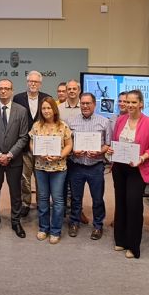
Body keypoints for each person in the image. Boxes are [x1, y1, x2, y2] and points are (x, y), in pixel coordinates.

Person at [107, 90, 149, 259]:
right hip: (120, 168)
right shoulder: (121, 120)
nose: (129, 105)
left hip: (138, 169)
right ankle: (120, 240)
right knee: (120, 203)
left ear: (141, 104)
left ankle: (133, 245)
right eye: (127, 102)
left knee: (134, 205)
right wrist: (112, 150)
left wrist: (142, 157)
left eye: (133, 102)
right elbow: (115, 141)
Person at [0, 79, 30, 239]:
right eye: (0, 88)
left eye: (6, 88)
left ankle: (16, 221)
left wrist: (9, 155)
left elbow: (24, 137)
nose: (3, 91)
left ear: (12, 90)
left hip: (14, 160)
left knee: (15, 192)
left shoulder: (21, 111)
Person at [66, 93, 111, 240]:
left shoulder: (104, 122)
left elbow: (108, 144)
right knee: (75, 198)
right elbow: (67, 143)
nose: (85, 106)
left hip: (95, 166)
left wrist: (99, 151)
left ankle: (98, 226)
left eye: (88, 103)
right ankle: (74, 222)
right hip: (76, 165)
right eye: (83, 103)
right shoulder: (70, 122)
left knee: (97, 198)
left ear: (94, 104)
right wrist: (73, 150)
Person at [30, 97, 72, 244]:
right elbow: (31, 143)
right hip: (41, 168)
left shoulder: (63, 126)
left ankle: (55, 231)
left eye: (49, 108)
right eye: (44, 108)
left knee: (58, 200)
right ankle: (43, 228)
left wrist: (59, 155)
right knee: (42, 199)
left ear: (54, 109)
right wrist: (37, 151)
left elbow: (69, 145)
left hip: (58, 168)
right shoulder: (36, 126)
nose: (46, 111)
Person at [12, 70, 50, 217]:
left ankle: (42, 203)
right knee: (25, 177)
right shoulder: (18, 98)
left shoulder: (47, 98)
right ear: (27, 82)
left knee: (41, 177)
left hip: (42, 146)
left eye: (36, 81)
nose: (33, 83)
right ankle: (25, 203)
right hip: (24, 146)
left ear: (40, 83)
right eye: (30, 81)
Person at [60, 80, 89, 225]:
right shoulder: (58, 109)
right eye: (69, 89)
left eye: (74, 89)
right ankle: (63, 210)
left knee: (76, 186)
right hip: (64, 153)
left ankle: (78, 211)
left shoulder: (84, 107)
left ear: (79, 90)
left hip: (80, 154)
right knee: (62, 184)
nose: (71, 91)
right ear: (65, 91)